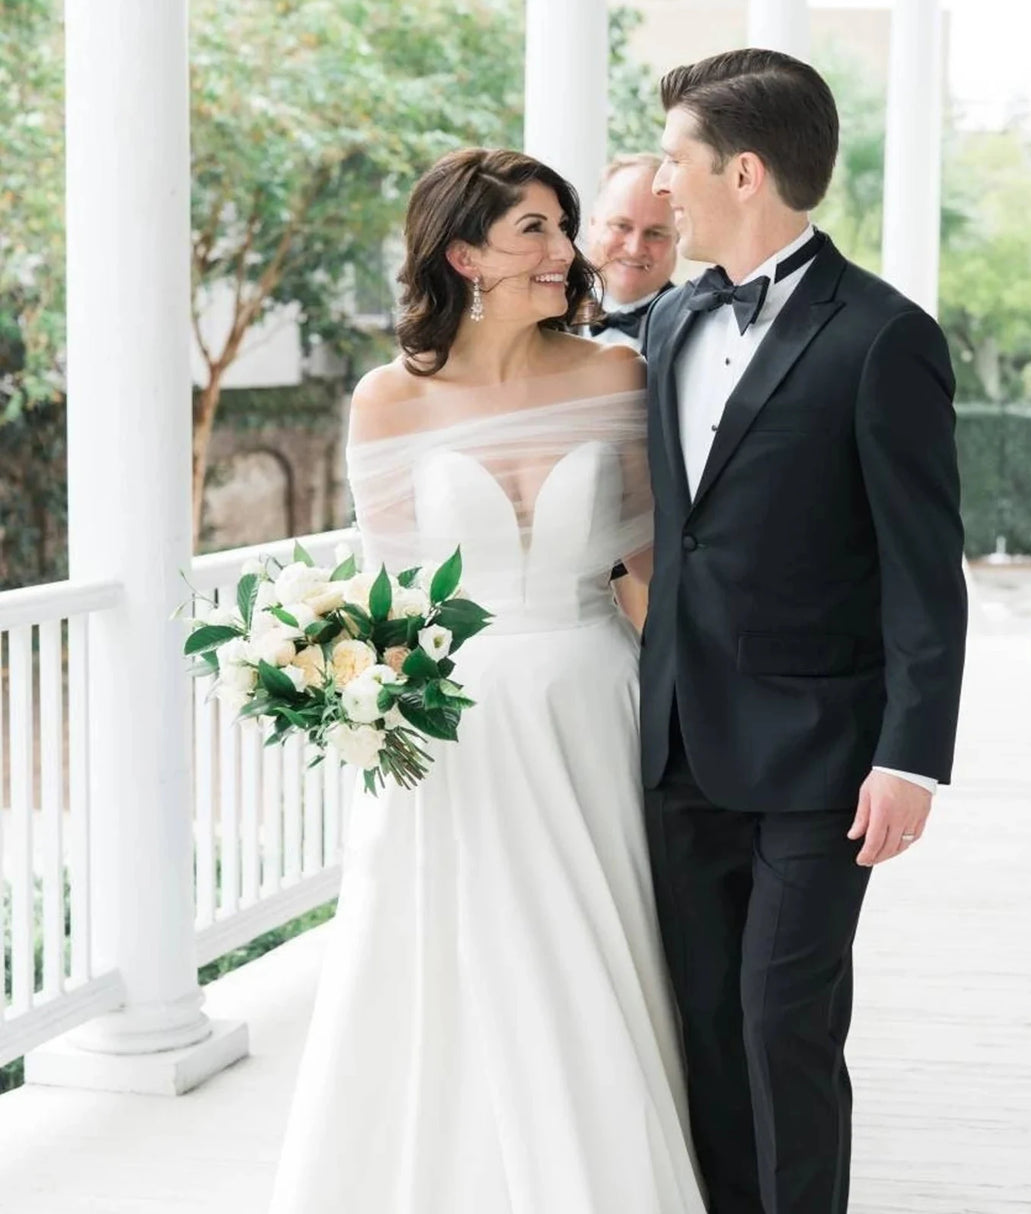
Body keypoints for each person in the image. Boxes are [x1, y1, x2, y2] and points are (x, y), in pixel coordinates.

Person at [269, 147, 706, 1213]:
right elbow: (382, 599)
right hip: (448, 733)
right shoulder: (387, 401)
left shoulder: (616, 373)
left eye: (566, 227)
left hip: (592, 707)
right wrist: (347, 692)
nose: (571, 249)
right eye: (536, 231)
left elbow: (654, 568)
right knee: (453, 977)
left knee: (591, 965)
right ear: (462, 253)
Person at [640, 50, 967, 1214]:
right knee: (708, 1026)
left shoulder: (883, 336)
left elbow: (925, 572)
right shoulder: (667, 320)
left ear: (740, 169)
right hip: (678, 744)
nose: (657, 181)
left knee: (785, 1020)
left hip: (821, 753)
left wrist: (910, 753)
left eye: (672, 158)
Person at [583, 153, 678, 351]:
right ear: (592, 224)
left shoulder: (700, 327)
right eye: (621, 226)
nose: (634, 249)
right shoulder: (543, 315)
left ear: (678, 237)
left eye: (655, 233)